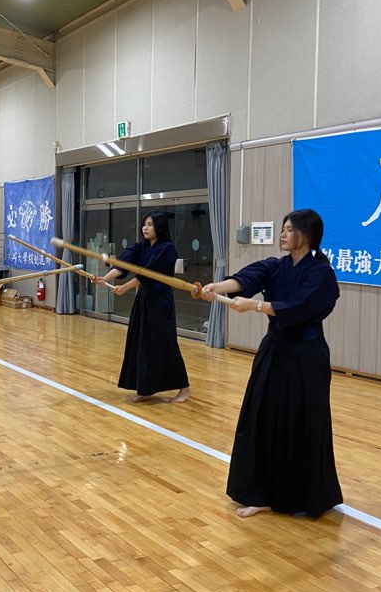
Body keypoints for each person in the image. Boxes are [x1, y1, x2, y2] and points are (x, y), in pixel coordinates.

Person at [199, 208, 342, 518]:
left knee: (300, 423)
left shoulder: (321, 273)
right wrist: (215, 288)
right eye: (283, 229)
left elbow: (300, 305)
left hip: (305, 356)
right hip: (274, 352)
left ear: (307, 235)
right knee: (262, 419)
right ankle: (262, 493)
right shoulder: (277, 266)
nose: (283, 234)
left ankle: (301, 497)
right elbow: (248, 278)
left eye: (289, 229)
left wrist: (256, 306)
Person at [95, 211, 192, 404]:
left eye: (150, 224)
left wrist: (125, 287)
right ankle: (146, 388)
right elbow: (123, 263)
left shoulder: (167, 248)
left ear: (160, 226)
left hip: (160, 302)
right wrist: (105, 278)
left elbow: (148, 273)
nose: (145, 228)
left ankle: (184, 388)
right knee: (141, 344)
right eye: (144, 224)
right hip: (144, 300)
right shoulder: (141, 247)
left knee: (165, 343)